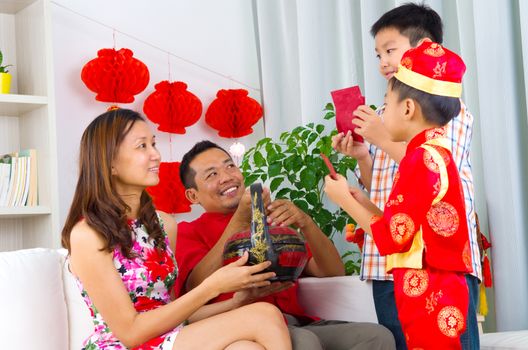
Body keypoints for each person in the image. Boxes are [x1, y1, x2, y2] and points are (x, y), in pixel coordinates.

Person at [61, 108, 292, 350]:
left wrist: (235, 302)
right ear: (110, 164)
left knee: (246, 348)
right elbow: (131, 332)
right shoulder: (88, 234)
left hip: (167, 339)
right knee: (264, 315)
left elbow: (170, 314)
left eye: (153, 144)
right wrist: (213, 286)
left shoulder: (163, 225)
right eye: (142, 147)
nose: (156, 155)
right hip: (122, 345)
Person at [331, 3, 481, 349]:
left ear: (426, 48)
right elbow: (391, 189)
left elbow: (439, 175)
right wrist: (363, 156)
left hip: (434, 263)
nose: (383, 61)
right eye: (378, 53)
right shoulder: (389, 113)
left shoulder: (448, 112)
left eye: (390, 50)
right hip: (390, 263)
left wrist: (380, 137)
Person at [175, 140, 396, 350]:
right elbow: (194, 287)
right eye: (212, 174)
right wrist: (240, 221)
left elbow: (331, 271)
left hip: (296, 321)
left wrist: (305, 222)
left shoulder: (271, 220)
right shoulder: (188, 232)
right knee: (305, 342)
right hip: (242, 329)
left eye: (230, 166)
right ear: (193, 195)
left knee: (376, 337)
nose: (226, 177)